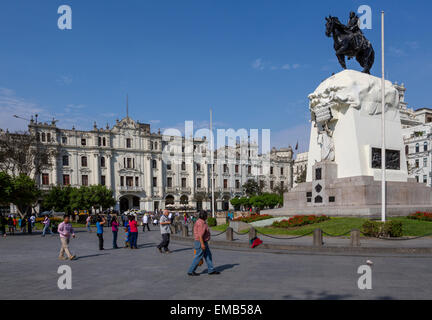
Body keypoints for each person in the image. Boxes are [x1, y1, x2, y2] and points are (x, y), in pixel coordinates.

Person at [187, 210, 220, 276]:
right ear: (204, 216)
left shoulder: (200, 221)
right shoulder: (201, 223)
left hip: (203, 242)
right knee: (198, 256)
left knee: (208, 255)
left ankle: (211, 270)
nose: (207, 216)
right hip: (200, 242)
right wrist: (202, 244)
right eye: (206, 215)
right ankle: (191, 271)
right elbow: (200, 235)